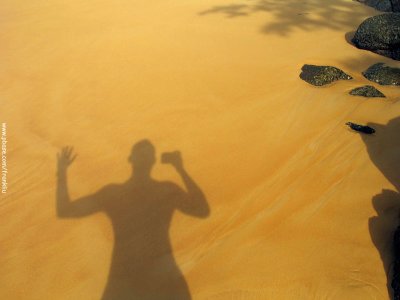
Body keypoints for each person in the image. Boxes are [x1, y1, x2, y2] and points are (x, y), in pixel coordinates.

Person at [56, 140, 210, 300]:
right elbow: (65, 210)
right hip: (137, 280)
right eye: (141, 153)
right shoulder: (120, 193)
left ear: (152, 161)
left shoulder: (162, 191)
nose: (145, 157)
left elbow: (202, 210)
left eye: (148, 154)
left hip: (146, 280)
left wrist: (181, 169)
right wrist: (61, 173)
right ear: (131, 159)